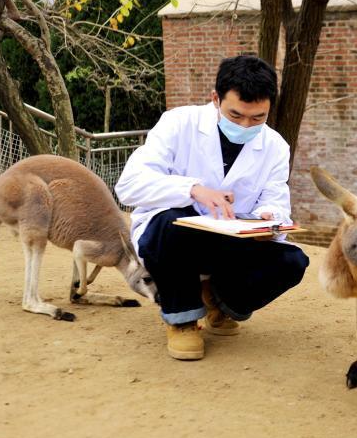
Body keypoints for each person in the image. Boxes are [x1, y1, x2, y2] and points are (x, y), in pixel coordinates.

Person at [116, 55, 309, 361]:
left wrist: (267, 221)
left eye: (258, 117)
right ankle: (182, 319)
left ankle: (217, 302)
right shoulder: (178, 123)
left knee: (293, 262)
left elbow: (276, 202)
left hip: (228, 241)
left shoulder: (275, 147)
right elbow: (128, 184)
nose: (246, 125)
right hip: (172, 239)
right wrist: (192, 190)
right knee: (172, 223)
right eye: (235, 115)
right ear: (216, 98)